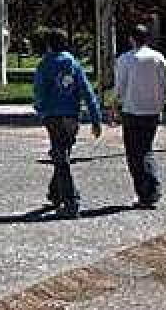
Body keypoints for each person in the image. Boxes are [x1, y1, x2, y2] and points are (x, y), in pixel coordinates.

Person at [33, 28, 103, 219]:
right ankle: (56, 194)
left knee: (61, 158)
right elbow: (87, 91)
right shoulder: (73, 63)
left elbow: (39, 91)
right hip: (72, 117)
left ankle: (71, 201)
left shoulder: (45, 64)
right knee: (62, 154)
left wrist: (40, 109)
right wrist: (96, 118)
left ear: (49, 45)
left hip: (54, 116)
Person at [115, 24, 166, 209]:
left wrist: (115, 105)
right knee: (146, 148)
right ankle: (149, 189)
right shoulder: (158, 57)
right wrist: (161, 105)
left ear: (132, 39)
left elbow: (120, 86)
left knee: (134, 154)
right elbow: (165, 84)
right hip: (152, 110)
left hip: (132, 110)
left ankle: (147, 190)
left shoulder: (125, 59)